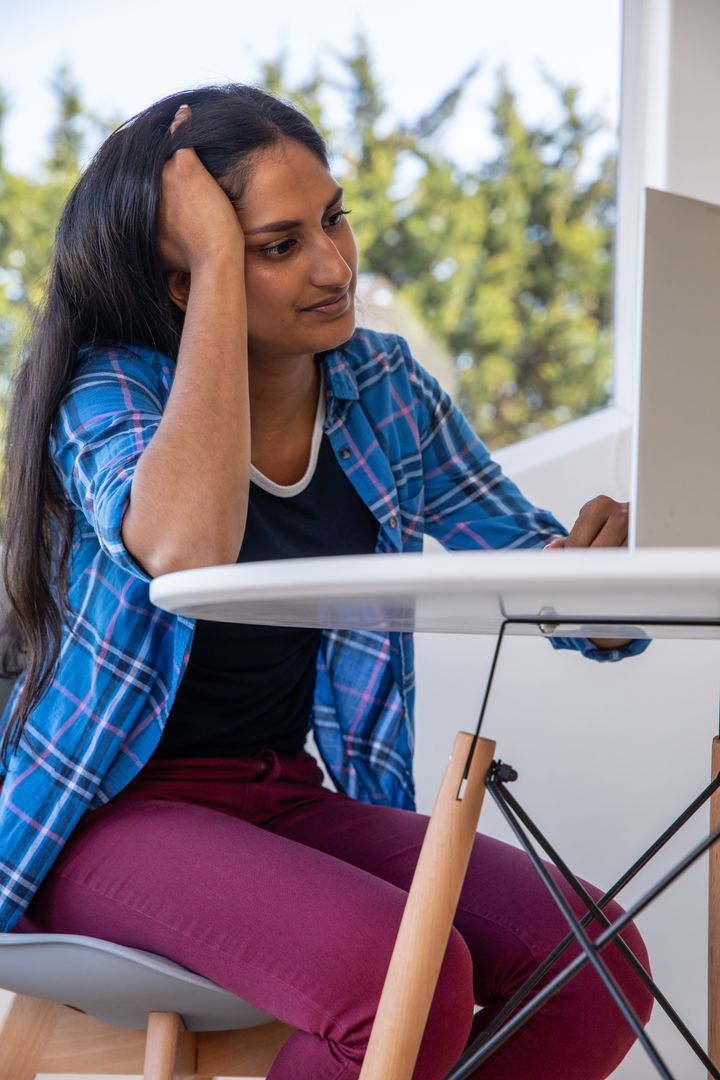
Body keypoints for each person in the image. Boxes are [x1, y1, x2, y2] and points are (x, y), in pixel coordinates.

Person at [0, 84, 652, 1079]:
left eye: (334, 218)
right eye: (277, 244)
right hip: (105, 813)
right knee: (408, 978)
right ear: (181, 280)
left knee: (595, 957)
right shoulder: (111, 390)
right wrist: (216, 260)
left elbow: (540, 577)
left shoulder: (383, 390)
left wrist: (599, 582)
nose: (336, 265)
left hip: (284, 795)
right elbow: (184, 545)